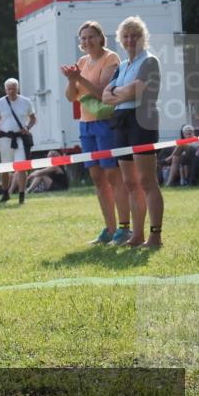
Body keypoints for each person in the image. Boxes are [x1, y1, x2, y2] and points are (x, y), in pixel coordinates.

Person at [60, 20, 131, 245]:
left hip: (105, 122)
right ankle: (109, 229)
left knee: (112, 175)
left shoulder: (111, 59)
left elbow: (103, 94)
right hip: (86, 124)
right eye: (83, 38)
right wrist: (72, 81)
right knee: (97, 178)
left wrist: (78, 78)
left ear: (101, 38)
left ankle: (124, 228)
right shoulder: (82, 61)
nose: (87, 41)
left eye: (91, 36)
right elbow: (71, 97)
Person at [101, 16, 164, 248]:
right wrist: (121, 91)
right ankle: (136, 236)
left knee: (147, 180)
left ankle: (155, 236)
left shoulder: (149, 61)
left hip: (142, 120)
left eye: (134, 35)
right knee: (129, 182)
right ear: (120, 38)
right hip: (121, 122)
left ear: (142, 37)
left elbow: (135, 92)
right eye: (126, 36)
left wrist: (118, 92)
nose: (130, 40)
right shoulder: (122, 66)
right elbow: (105, 96)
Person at [0, 78, 36, 204]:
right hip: (5, 139)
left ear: (18, 89)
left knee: (22, 168)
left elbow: (33, 119)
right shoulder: (0, 103)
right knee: (4, 168)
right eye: (9, 89)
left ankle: (22, 194)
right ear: (5, 90)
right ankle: (5, 192)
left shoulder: (26, 102)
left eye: (14, 89)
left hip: (20, 138)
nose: (11, 91)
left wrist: (27, 127)